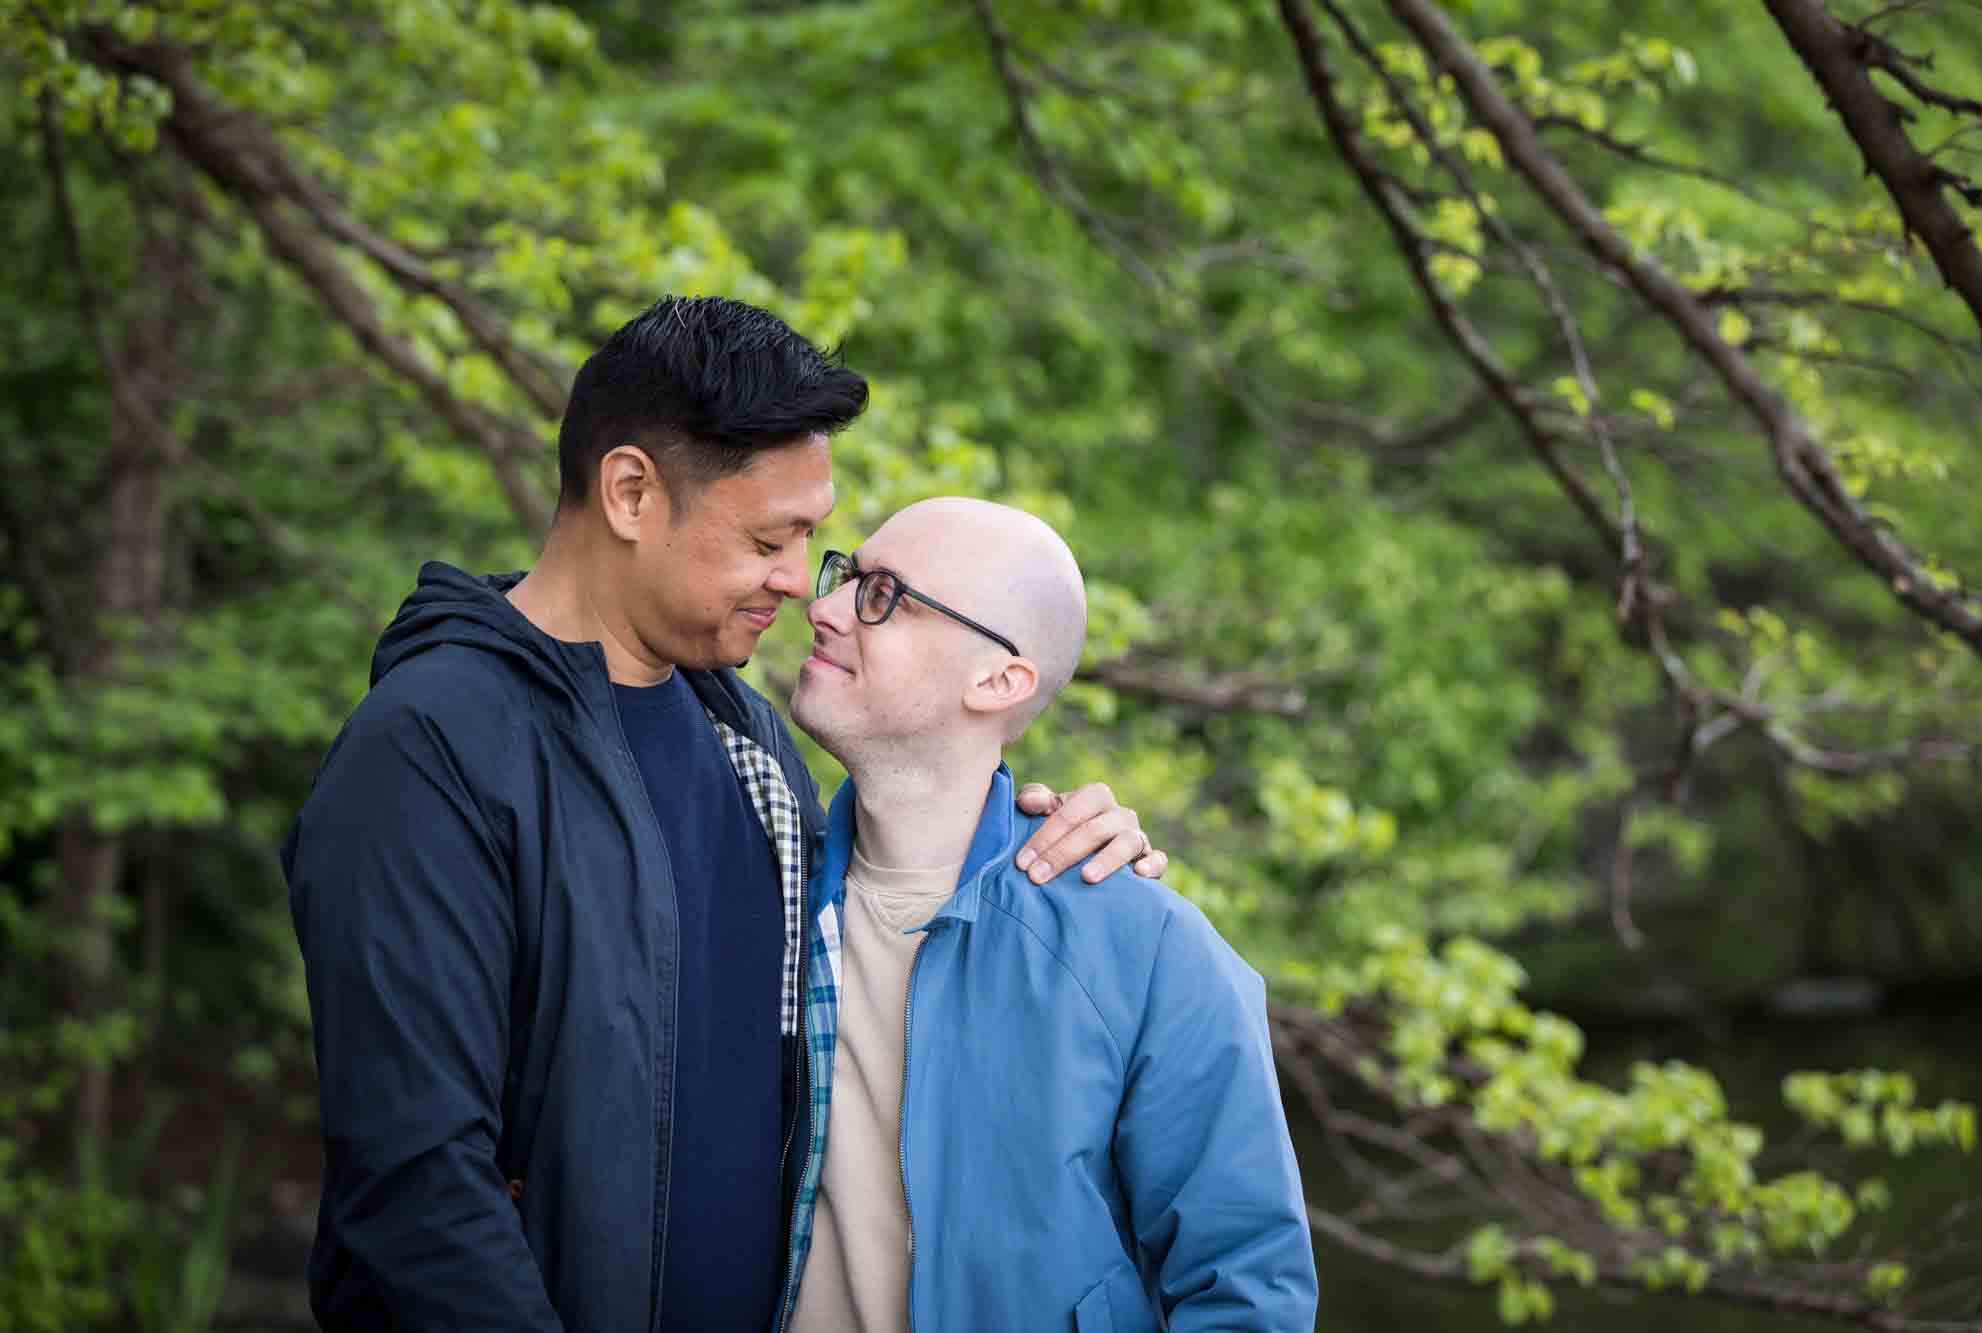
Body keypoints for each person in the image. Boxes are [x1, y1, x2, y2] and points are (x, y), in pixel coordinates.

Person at [282, 296, 1167, 1331]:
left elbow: (884, 944)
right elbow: (416, 1183)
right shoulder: (430, 749)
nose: (799, 584)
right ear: (628, 492)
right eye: (769, 538)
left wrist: (1053, 841)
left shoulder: (745, 737)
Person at [781, 497, 1318, 1331]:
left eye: (882, 593)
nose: (823, 607)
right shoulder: (760, 886)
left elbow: (1250, 1294)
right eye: (845, 575)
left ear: (999, 678)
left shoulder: (1152, 953)